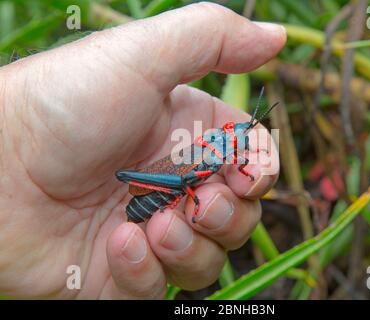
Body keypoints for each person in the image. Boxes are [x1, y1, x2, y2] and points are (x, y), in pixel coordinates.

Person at [0, 2, 285, 299]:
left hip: (160, 193)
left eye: (244, 132)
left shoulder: (226, 146)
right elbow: (194, 176)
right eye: (242, 132)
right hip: (163, 189)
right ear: (232, 134)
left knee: (194, 189)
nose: (243, 135)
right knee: (191, 181)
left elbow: (224, 166)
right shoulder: (217, 146)